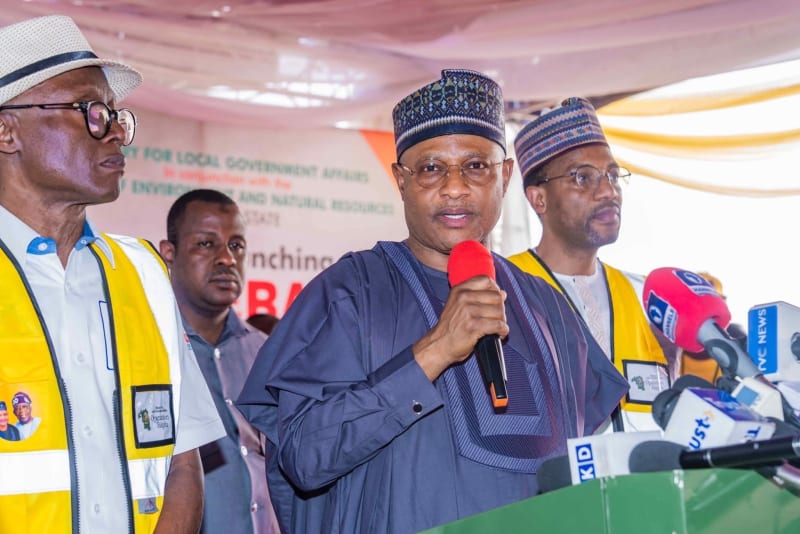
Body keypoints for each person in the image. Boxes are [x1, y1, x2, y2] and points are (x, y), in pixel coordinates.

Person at [238, 69, 629, 533]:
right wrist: (433, 351)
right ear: (400, 180)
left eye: (476, 166)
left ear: (504, 176)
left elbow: (587, 462)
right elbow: (304, 457)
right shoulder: (348, 292)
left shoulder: (547, 305)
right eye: (431, 168)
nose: (455, 187)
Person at [0, 15, 225, 533]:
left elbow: (181, 461)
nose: (116, 133)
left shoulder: (144, 271)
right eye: (91, 111)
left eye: (118, 116)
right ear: (6, 130)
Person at [508, 97, 681, 433]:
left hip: (647, 482)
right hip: (559, 485)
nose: (608, 191)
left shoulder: (647, 295)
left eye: (613, 175)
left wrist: (673, 360)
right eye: (583, 178)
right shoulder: (504, 288)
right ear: (537, 198)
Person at [159, 189, 279, 534]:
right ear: (169, 253)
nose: (227, 258)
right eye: (206, 244)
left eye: (236, 245)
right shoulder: (151, 353)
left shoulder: (266, 353)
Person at [680, 272, 746, 383]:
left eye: (710, 302)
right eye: (697, 302)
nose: (703, 309)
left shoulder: (737, 336)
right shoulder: (670, 337)